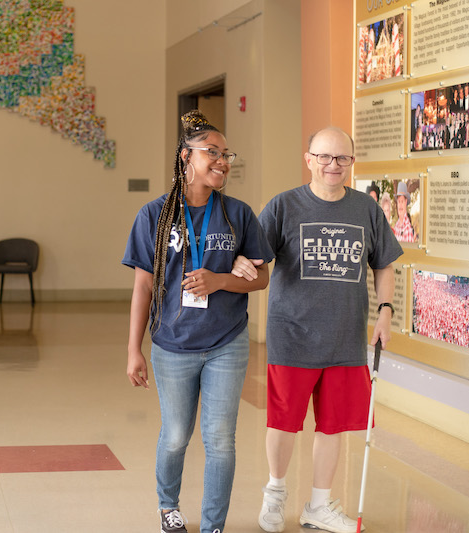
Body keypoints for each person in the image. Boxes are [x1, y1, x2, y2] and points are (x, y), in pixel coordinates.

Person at [234, 127, 402, 533]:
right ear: (308, 159)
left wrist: (385, 311)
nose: (333, 166)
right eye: (325, 157)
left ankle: (319, 506)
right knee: (283, 421)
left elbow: (384, 264)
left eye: (342, 159)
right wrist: (243, 262)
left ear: (351, 162)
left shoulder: (366, 208)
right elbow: (255, 255)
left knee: (334, 425)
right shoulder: (284, 206)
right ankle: (275, 495)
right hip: (292, 333)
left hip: (344, 336)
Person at [122, 110, 274, 533]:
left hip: (227, 341)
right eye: (213, 152)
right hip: (172, 343)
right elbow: (143, 287)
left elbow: (261, 277)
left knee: (221, 440)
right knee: (175, 436)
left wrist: (220, 279)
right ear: (186, 157)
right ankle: (168, 506)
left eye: (227, 154)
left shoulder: (238, 214)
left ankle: (213, 525)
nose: (223, 161)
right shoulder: (153, 215)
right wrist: (134, 349)